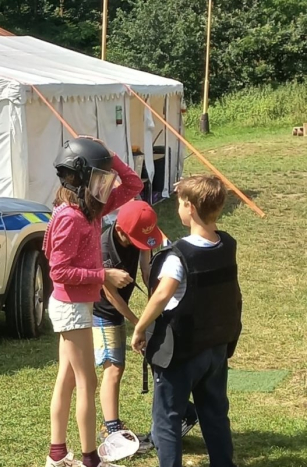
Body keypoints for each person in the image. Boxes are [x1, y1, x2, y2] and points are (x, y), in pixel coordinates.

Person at [43, 136, 143, 467]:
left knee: (68, 378)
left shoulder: (91, 210)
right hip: (71, 308)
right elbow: (59, 270)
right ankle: (90, 459)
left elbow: (132, 184)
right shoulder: (71, 218)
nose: (106, 187)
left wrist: (107, 154)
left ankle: (57, 455)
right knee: (87, 382)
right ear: (81, 179)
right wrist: (104, 275)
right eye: (99, 179)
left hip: (75, 306)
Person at [132, 175, 242, 467]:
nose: (179, 208)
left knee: (166, 418)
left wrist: (140, 328)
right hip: (216, 347)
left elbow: (161, 296)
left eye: (180, 202)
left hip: (181, 352)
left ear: (190, 207)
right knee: (215, 412)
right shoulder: (227, 245)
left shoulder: (178, 256)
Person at [93, 200, 163, 441]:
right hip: (102, 313)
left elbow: (146, 268)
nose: (141, 245)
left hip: (119, 312)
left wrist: (155, 296)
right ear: (121, 231)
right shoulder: (103, 249)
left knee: (114, 367)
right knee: (113, 367)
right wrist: (138, 322)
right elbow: (111, 297)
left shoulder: (138, 235)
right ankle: (110, 428)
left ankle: (112, 424)